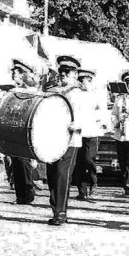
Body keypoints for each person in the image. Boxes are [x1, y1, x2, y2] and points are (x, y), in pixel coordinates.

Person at [46, 55, 85, 226]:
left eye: (67, 72)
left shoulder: (80, 94)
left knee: (63, 174)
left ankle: (60, 212)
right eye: (61, 71)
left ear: (75, 74)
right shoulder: (54, 91)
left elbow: (88, 116)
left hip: (70, 139)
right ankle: (57, 209)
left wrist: (76, 125)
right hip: (53, 139)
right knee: (52, 174)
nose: (63, 74)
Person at [6, 59, 41, 204]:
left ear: (23, 75)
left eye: (17, 73)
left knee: (23, 161)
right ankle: (20, 194)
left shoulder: (31, 91)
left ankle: (28, 192)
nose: (14, 75)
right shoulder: (14, 90)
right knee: (15, 161)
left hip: (25, 130)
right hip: (14, 129)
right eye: (14, 72)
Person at [72, 65, 106, 202]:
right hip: (78, 132)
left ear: (90, 80)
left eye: (85, 79)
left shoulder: (97, 94)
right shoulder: (75, 93)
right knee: (79, 162)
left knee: (88, 159)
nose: (82, 82)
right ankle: (82, 191)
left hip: (92, 131)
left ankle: (93, 182)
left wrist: (101, 121)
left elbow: (102, 112)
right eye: (80, 79)